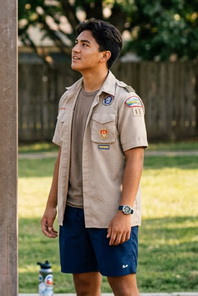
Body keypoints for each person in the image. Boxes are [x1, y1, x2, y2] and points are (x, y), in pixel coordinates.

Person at [40, 19, 147, 296]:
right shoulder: (68, 98)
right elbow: (63, 155)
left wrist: (125, 212)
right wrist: (52, 205)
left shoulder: (125, 100)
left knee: (123, 287)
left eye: (84, 44)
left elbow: (135, 159)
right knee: (85, 288)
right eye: (77, 43)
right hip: (74, 213)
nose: (76, 49)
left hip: (110, 213)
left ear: (104, 55)